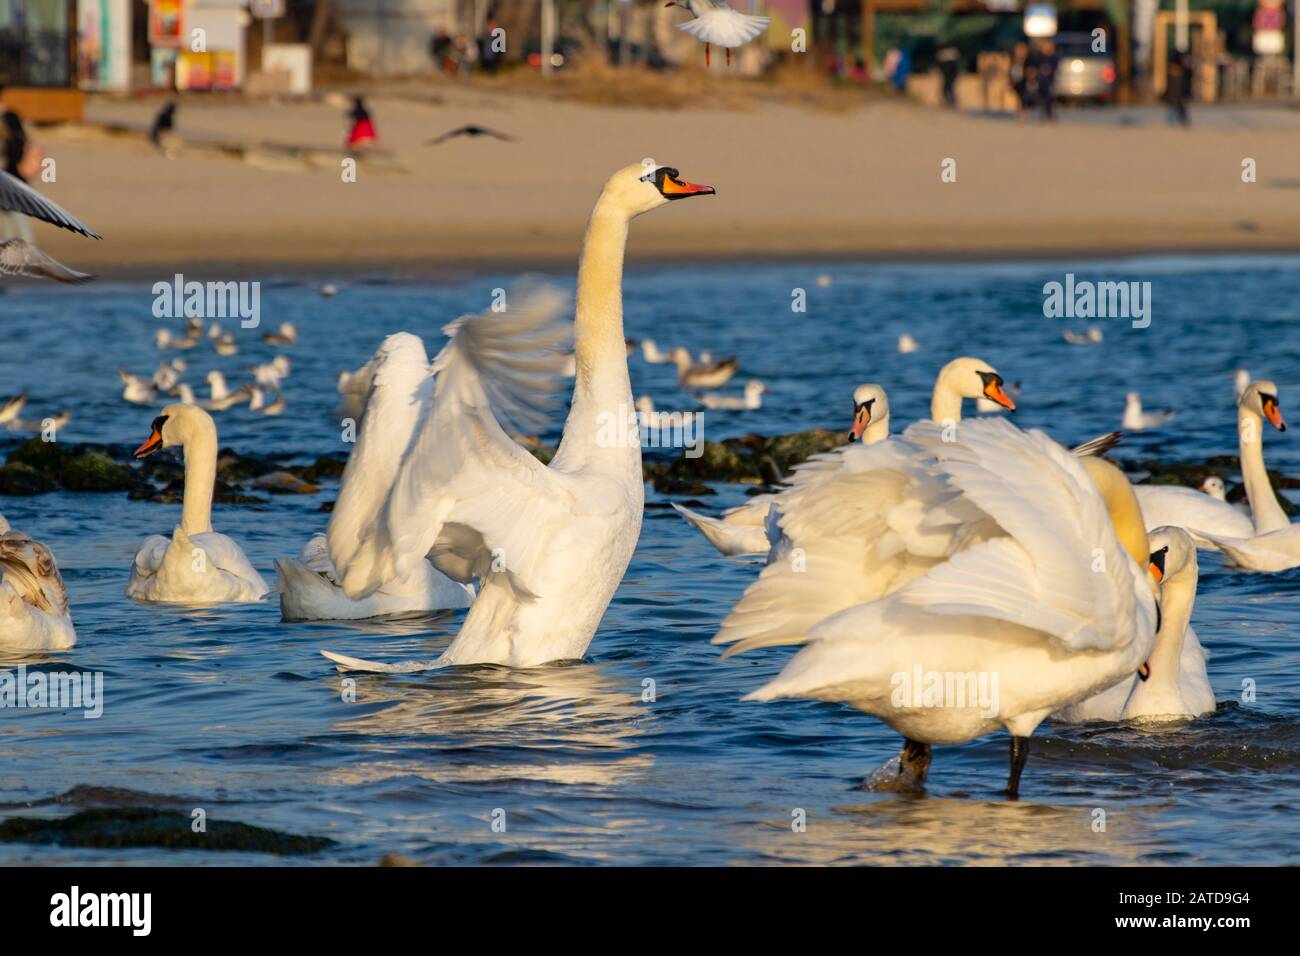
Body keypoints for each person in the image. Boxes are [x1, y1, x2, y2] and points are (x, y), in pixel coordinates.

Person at [0, 86, 33, 241]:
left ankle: (28, 249)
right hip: (11, 173)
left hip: (12, 173)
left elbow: (18, 145)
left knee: (17, 216)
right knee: (8, 218)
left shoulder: (9, 117)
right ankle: (11, 255)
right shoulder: (12, 116)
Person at [1034, 38, 1059, 120]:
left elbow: (1055, 67)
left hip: (1050, 81)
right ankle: (1043, 113)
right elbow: (1035, 67)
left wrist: (1048, 69)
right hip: (1040, 81)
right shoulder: (1039, 57)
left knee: (1049, 97)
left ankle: (1049, 113)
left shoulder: (1053, 57)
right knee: (1042, 97)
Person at [1166, 50, 1192, 126]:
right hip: (1176, 96)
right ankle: (1176, 120)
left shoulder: (1181, 73)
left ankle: (1179, 120)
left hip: (1177, 96)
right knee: (1175, 106)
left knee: (1178, 106)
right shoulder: (1176, 74)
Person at [1009, 42, 1030, 119]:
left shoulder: (1028, 60)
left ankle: (1023, 111)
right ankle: (1019, 111)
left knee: (1023, 96)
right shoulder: (1013, 59)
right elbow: (1010, 71)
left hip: (1024, 81)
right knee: (1018, 97)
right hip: (1016, 80)